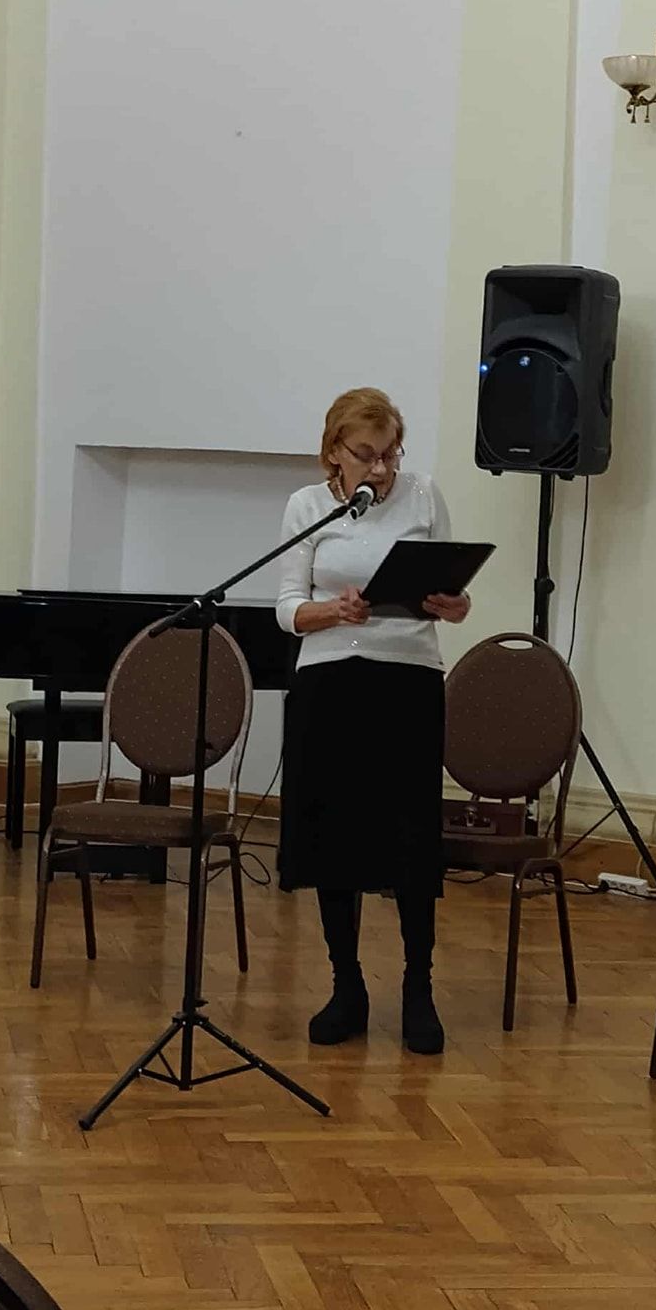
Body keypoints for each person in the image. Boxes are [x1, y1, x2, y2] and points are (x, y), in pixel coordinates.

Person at [275, 388, 470, 1055]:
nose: (382, 468)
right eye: (367, 455)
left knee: (410, 836)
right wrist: (335, 611)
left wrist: (454, 604)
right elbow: (287, 608)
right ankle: (347, 987)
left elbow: (456, 595)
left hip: (407, 681)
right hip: (329, 681)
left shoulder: (424, 496)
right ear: (335, 451)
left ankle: (419, 989)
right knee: (334, 837)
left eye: (391, 454)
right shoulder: (307, 506)